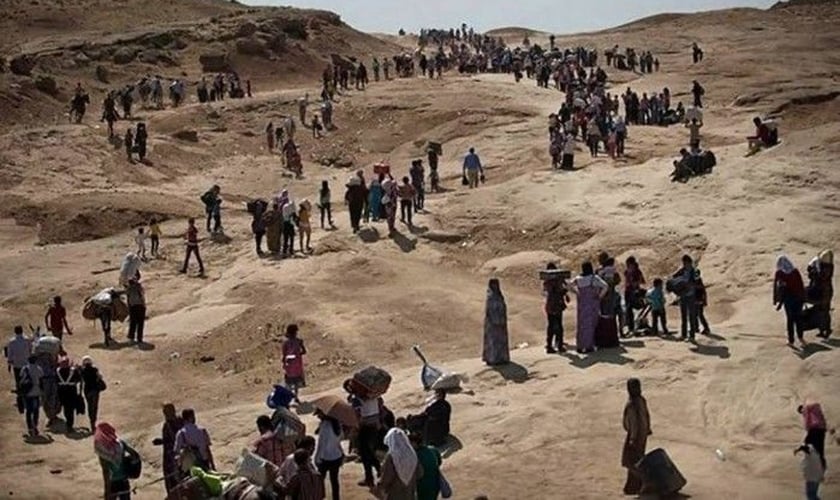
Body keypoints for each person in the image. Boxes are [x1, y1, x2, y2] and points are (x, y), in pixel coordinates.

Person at [570, 262, 609, 354]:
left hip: (581, 305)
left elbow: (569, 286)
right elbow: (605, 286)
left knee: (581, 325)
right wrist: (599, 296)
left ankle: (580, 346)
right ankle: (589, 346)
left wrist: (576, 292)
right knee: (591, 325)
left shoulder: (578, 279)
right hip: (592, 304)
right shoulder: (593, 278)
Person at [622, 378, 652, 496]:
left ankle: (645, 482)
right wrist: (648, 429)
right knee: (637, 459)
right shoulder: (641, 400)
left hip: (634, 436)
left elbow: (634, 423)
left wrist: (632, 439)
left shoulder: (632, 404)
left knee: (630, 462)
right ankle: (632, 487)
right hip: (642, 435)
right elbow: (646, 416)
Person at [376, 428, 422, 500]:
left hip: (395, 493)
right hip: (410, 493)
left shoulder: (392, 456)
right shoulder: (412, 454)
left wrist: (380, 486)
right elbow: (420, 473)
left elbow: (387, 477)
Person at [96, 422, 137, 500]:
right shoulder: (121, 443)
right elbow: (134, 455)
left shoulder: (103, 450)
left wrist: (107, 491)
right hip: (124, 481)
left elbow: (106, 472)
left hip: (112, 483)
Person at [774, 255, 806, 345]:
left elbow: (778, 288)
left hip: (788, 300)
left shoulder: (780, 273)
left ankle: (791, 340)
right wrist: (803, 298)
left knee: (790, 320)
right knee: (798, 318)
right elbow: (801, 285)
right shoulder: (795, 271)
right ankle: (801, 337)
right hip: (798, 298)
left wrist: (778, 301)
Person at [154, 403, 184, 492]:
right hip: (170, 456)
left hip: (176, 456)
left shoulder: (177, 422)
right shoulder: (169, 424)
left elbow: (176, 439)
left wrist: (162, 441)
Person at [314, 410, 344, 500]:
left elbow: (321, 444)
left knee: (319, 481)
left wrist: (317, 458)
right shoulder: (337, 425)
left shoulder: (324, 426)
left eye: (319, 414)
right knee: (334, 481)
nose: (318, 416)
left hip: (326, 458)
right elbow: (340, 439)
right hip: (336, 457)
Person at [543, 263, 570, 353]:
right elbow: (561, 290)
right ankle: (559, 345)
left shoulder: (547, 281)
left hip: (550, 304)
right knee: (559, 325)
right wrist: (564, 292)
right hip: (557, 304)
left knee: (551, 325)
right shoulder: (558, 280)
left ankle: (550, 345)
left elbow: (548, 290)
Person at [482, 278, 509, 366]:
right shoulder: (490, 296)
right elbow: (490, 310)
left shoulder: (499, 295)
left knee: (500, 341)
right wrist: (496, 320)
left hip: (500, 324)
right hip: (492, 325)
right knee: (492, 342)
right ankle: (492, 358)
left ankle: (501, 358)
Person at [673, 255, 700, 340]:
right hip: (683, 295)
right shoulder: (682, 270)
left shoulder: (694, 271)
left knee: (691, 316)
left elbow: (697, 280)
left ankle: (692, 335)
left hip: (691, 295)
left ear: (690, 262)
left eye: (686, 263)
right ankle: (683, 334)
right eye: (683, 263)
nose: (684, 264)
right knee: (683, 316)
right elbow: (674, 276)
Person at [5, 326, 31, 413]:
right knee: (27, 379)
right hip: (26, 363)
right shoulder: (27, 340)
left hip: (17, 365)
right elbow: (30, 350)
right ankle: (27, 394)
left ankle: (20, 396)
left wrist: (9, 363)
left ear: (15, 332)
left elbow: (10, 354)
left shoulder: (12, 341)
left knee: (18, 381)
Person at [411, 432, 442, 500]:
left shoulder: (414, 456)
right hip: (435, 484)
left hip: (423, 487)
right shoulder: (433, 449)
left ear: (414, 443)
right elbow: (439, 462)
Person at [798, 402, 828, 470]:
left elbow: (807, 421)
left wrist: (807, 428)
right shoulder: (816, 408)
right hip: (821, 430)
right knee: (820, 449)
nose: (802, 413)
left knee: (808, 443)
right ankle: (821, 467)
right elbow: (822, 417)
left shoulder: (806, 410)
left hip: (814, 429)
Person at [20, 354, 44, 436]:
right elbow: (41, 381)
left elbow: (21, 378)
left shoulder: (24, 368)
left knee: (28, 411)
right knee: (36, 410)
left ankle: (29, 427)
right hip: (36, 392)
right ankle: (35, 426)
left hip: (27, 393)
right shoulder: (39, 369)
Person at [282, 324, 307, 402]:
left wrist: (285, 362)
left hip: (289, 364)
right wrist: (298, 354)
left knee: (289, 382)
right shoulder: (299, 341)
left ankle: (288, 397)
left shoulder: (286, 343)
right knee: (296, 382)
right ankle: (296, 396)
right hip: (297, 364)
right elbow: (304, 351)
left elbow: (284, 354)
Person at [56, 356, 81, 433]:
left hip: (61, 392)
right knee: (70, 409)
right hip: (71, 391)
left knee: (65, 408)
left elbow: (55, 381)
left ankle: (68, 423)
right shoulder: (73, 371)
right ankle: (70, 425)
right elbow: (79, 379)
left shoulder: (58, 371)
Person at [624, 257, 646, 335]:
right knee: (628, 310)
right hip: (628, 291)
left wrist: (635, 284)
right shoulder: (627, 272)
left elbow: (642, 281)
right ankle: (630, 327)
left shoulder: (637, 272)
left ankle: (635, 325)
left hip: (634, 292)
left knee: (635, 307)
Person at [814, 250, 834, 338]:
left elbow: (822, 277)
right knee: (820, 311)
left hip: (826, 292)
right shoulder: (825, 266)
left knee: (825, 311)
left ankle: (827, 330)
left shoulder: (827, 268)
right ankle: (822, 330)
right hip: (822, 291)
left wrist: (815, 273)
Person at [121, 279, 146, 344]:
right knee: (140, 323)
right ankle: (139, 339)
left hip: (133, 307)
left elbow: (128, 299)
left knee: (133, 323)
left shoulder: (129, 289)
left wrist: (129, 308)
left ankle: (131, 338)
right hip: (140, 306)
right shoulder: (139, 287)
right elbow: (142, 296)